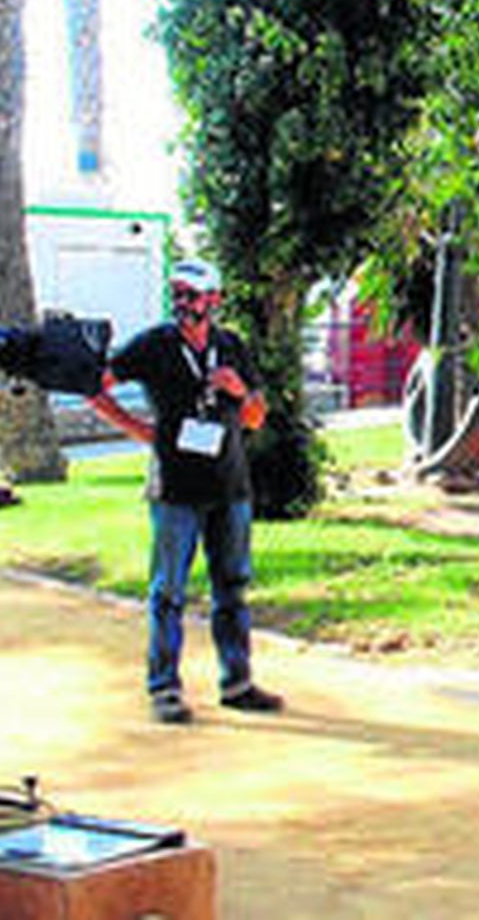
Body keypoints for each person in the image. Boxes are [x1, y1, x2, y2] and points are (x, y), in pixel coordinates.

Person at [88, 258, 285, 725]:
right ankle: (164, 689)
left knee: (232, 587)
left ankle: (236, 682)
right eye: (177, 293)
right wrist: (141, 431)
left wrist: (238, 390)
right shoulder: (155, 345)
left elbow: (257, 417)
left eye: (192, 295)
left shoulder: (231, 345)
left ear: (213, 300)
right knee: (168, 592)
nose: (183, 303)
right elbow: (95, 387)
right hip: (175, 491)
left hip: (230, 487)